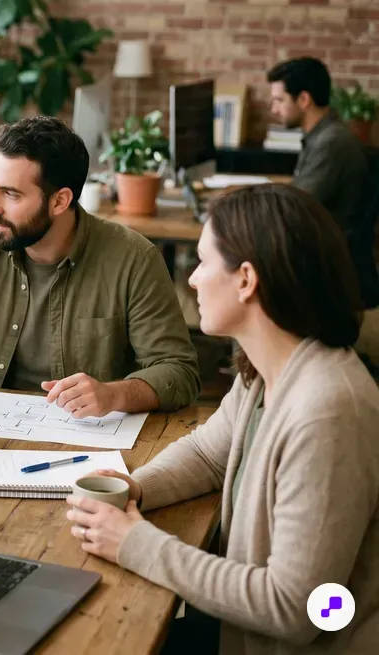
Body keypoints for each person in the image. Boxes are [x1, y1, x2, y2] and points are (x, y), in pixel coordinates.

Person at [65, 184, 379, 654]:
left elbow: (297, 608)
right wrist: (136, 487)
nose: (192, 280)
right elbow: (209, 453)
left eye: (203, 263)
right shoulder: (265, 371)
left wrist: (136, 543)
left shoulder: (328, 411)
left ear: (246, 279)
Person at [0, 116, 200, 416]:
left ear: (60, 201)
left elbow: (178, 371)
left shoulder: (135, 260)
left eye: (11, 193)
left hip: (91, 438)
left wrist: (113, 394)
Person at [267, 57, 378, 308]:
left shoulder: (331, 144)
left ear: (304, 100)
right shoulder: (324, 135)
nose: (274, 109)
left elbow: (294, 208)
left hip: (327, 266)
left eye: (279, 100)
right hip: (323, 252)